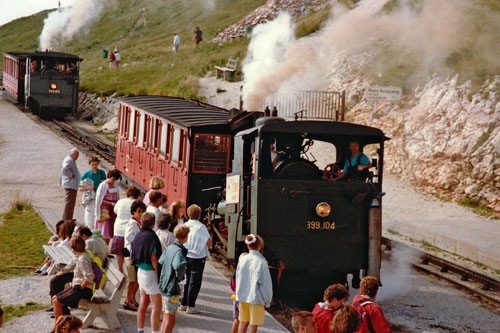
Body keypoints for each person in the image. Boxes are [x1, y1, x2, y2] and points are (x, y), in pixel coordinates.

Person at [47, 225, 106, 315]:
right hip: (86, 271)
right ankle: (59, 305)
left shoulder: (89, 243)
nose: (77, 237)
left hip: (86, 276)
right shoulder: (96, 239)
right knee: (56, 280)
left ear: (84, 236)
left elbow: (80, 260)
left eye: (78, 236)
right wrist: (64, 271)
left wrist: (64, 271)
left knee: (56, 281)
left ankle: (61, 307)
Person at [51, 236, 94, 329]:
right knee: (55, 298)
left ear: (73, 248)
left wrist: (81, 287)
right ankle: (60, 326)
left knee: (57, 303)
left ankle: (58, 328)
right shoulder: (83, 255)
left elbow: (89, 276)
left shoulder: (83, 259)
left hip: (83, 290)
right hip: (78, 287)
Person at [131, 212, 163, 333]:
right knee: (156, 306)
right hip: (150, 273)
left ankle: (140, 329)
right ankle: (155, 331)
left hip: (140, 272)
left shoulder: (138, 235)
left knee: (143, 303)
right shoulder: (152, 237)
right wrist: (158, 273)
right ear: (153, 223)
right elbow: (153, 257)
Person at [235, 234, 273, 333]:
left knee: (242, 323)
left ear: (248, 246)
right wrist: (267, 300)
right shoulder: (261, 262)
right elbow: (266, 284)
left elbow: (238, 277)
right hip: (256, 298)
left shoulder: (242, 259)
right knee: (253, 326)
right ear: (260, 245)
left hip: (243, 296)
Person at [158, 224, 190, 333]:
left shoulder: (170, 247)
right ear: (186, 237)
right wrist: (180, 276)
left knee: (166, 316)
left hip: (164, 285)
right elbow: (178, 265)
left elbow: (161, 261)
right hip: (172, 287)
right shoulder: (179, 251)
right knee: (170, 318)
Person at [181, 204, 212, 314]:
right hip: (198, 257)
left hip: (185, 255)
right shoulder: (201, 227)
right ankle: (191, 306)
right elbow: (209, 242)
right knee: (195, 282)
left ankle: (183, 303)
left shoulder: (185, 225)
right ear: (199, 216)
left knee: (186, 279)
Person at [123, 200, 147, 311]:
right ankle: (127, 301)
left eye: (142, 211)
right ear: (133, 212)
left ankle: (132, 298)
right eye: (138, 211)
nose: (141, 213)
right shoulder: (133, 223)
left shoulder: (137, 222)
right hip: (131, 255)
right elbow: (128, 237)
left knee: (136, 279)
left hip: (135, 255)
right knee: (132, 280)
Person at [113, 185, 142, 273]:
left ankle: (120, 270)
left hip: (118, 230)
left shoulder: (120, 201)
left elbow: (115, 211)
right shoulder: (138, 204)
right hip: (131, 230)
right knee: (128, 253)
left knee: (119, 253)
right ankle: (129, 270)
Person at [95, 169, 121, 245]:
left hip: (113, 208)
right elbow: (99, 200)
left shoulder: (115, 185)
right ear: (109, 177)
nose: (114, 181)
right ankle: (103, 247)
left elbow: (117, 197)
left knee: (110, 230)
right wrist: (110, 203)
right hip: (104, 209)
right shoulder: (103, 185)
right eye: (113, 179)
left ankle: (107, 247)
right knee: (105, 230)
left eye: (115, 179)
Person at [79, 156, 106, 229]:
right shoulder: (86, 174)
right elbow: (80, 188)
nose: (94, 166)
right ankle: (89, 229)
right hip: (91, 198)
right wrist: (87, 188)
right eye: (92, 164)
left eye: (96, 164)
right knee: (89, 216)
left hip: (100, 198)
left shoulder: (102, 173)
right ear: (90, 164)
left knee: (98, 216)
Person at [59, 148, 81, 220]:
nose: (77, 157)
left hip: (71, 184)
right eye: (77, 155)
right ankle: (67, 219)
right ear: (73, 154)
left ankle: (68, 218)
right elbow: (65, 169)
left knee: (71, 202)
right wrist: (70, 175)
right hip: (70, 184)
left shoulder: (71, 160)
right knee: (70, 203)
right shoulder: (69, 160)